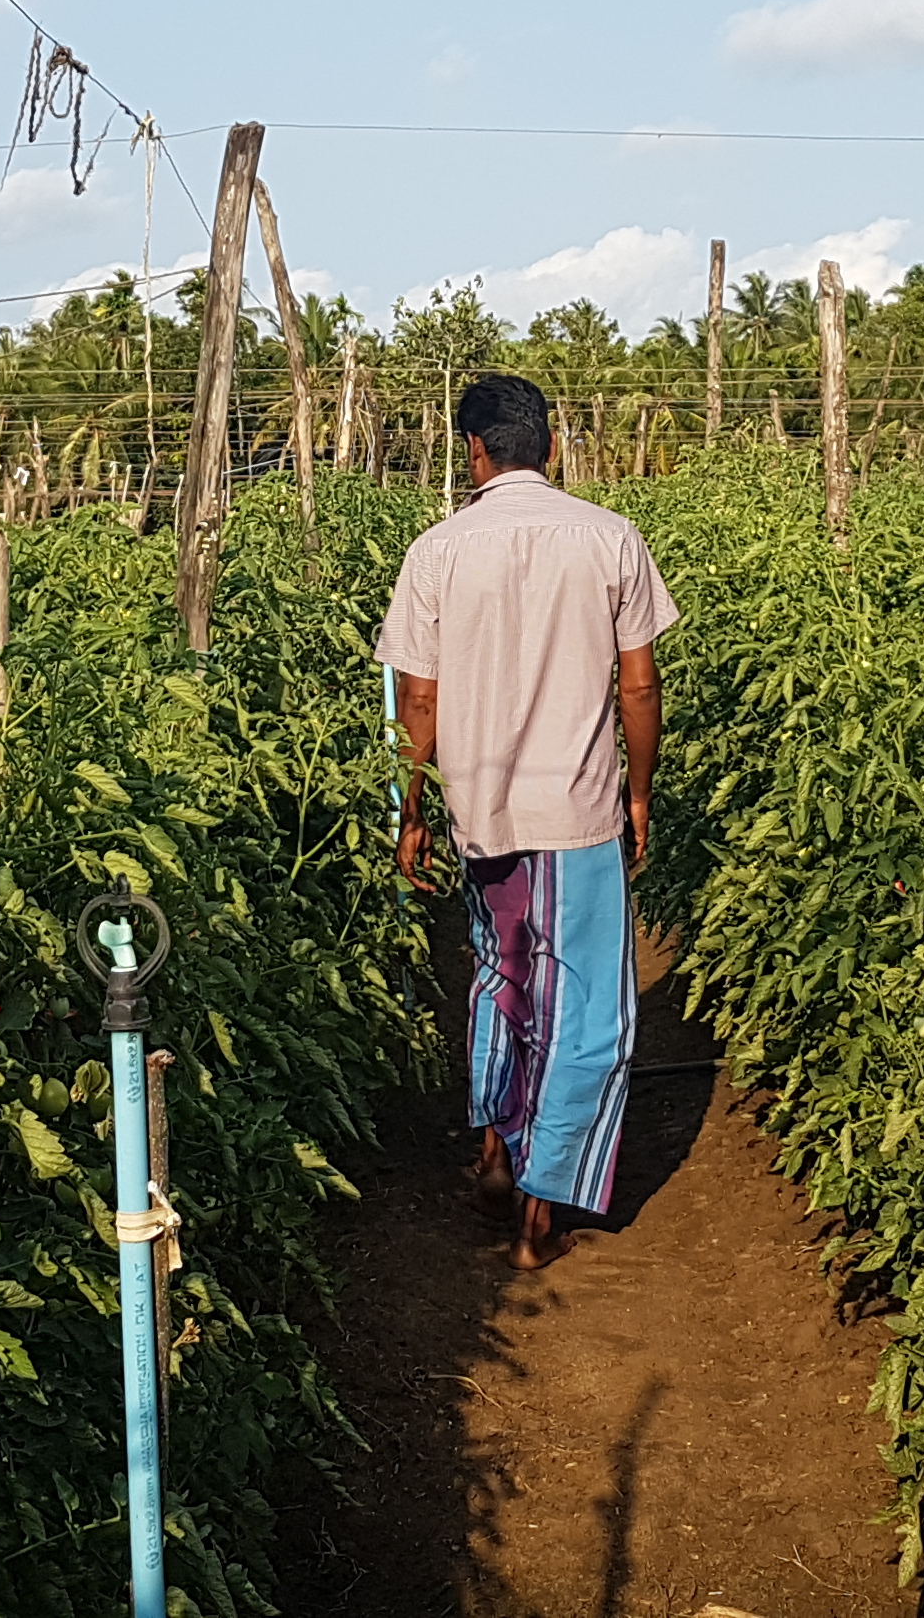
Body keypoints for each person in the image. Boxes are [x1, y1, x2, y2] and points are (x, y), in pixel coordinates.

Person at [383, 372, 675, 1270]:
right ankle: (542, 1210)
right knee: (584, 1007)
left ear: (473, 452)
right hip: (579, 812)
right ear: (550, 447)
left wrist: (414, 811)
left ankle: (495, 1150)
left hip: (482, 814)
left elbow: (418, 701)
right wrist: (638, 793)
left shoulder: (437, 551)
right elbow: (637, 683)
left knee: (500, 980)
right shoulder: (611, 539)